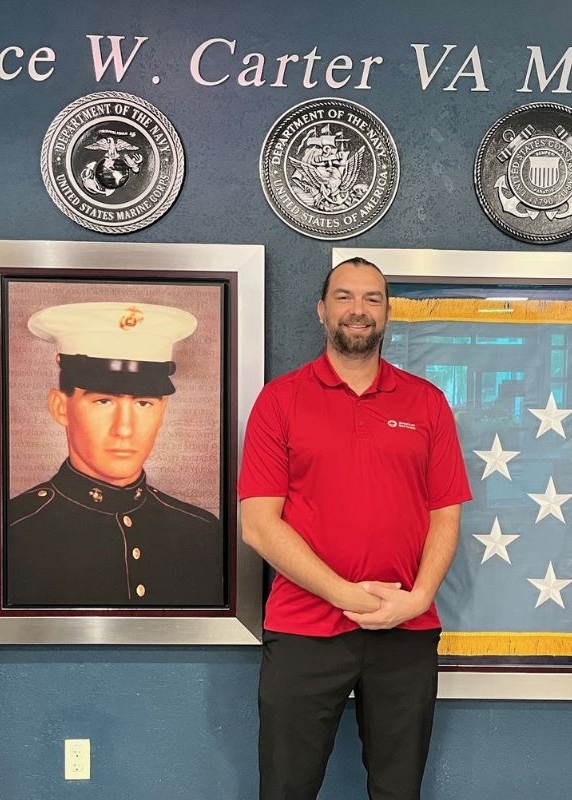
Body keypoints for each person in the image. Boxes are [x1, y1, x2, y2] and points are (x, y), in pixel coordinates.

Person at [238, 258, 471, 800]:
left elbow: (446, 514)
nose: (358, 310)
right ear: (322, 311)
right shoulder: (280, 401)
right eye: (344, 297)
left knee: (398, 790)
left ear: (387, 313)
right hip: (304, 629)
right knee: (285, 788)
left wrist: (416, 601)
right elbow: (258, 525)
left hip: (406, 631)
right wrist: (347, 595)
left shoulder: (427, 404)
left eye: (372, 298)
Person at [6, 301, 224, 608]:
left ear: (163, 412)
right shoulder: (15, 531)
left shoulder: (202, 533)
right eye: (103, 401)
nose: (125, 428)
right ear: (59, 407)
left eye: (144, 404)